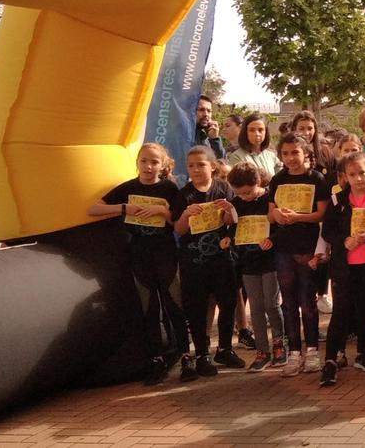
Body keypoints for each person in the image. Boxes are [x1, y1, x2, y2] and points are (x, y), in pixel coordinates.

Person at [87, 143, 189, 386]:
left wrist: (160, 211)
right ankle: (156, 359)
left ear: (162, 165)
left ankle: (186, 355)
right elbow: (93, 208)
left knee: (173, 302)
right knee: (149, 307)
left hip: (164, 249)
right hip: (139, 251)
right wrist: (125, 208)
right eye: (144, 161)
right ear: (137, 163)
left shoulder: (168, 187)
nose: (148, 166)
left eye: (154, 162)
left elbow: (177, 221)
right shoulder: (129, 187)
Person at [315, 151, 365, 385]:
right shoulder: (337, 201)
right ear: (344, 177)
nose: (358, 178)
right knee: (340, 312)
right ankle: (331, 359)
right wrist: (343, 240)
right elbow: (327, 230)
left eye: (362, 173)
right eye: (352, 174)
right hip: (344, 267)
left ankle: (363, 353)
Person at [172, 146, 243, 375]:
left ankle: (225, 348)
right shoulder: (183, 195)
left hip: (222, 259)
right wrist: (185, 215)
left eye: (201, 164)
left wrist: (230, 210)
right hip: (193, 262)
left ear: (212, 166)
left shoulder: (223, 189)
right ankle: (202, 354)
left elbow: (233, 221)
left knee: (228, 303)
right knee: (197, 308)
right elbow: (179, 230)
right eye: (191, 166)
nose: (196, 170)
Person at [267, 133, 330, 377]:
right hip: (283, 247)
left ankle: (312, 350)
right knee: (289, 301)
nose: (291, 158)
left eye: (295, 152)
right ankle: (294, 352)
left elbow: (322, 214)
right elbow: (270, 213)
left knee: (307, 299)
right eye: (285, 153)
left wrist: (298, 217)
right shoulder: (277, 180)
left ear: (305, 153)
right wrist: (278, 216)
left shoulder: (317, 179)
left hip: (308, 247)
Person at [224, 162, 285, 372]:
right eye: (239, 193)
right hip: (248, 262)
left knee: (271, 303)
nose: (244, 197)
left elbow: (280, 225)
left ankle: (279, 344)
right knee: (256, 307)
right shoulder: (236, 203)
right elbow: (233, 229)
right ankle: (262, 351)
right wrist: (228, 238)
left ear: (257, 182)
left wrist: (272, 240)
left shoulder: (269, 199)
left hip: (269, 261)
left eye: (248, 192)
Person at [228, 113, 281, 177]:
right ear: (245, 132)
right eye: (252, 130)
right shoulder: (237, 157)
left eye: (260, 130)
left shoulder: (272, 156)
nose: (257, 134)